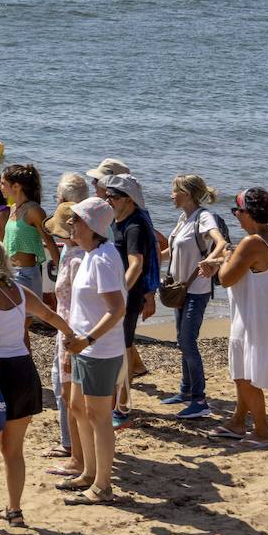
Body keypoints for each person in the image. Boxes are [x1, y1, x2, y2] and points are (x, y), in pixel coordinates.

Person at [0, 238, 82, 529]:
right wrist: (71, 336)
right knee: (14, 451)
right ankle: (15, 511)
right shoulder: (19, 290)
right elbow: (49, 314)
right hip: (23, 370)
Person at [203, 188, 268, 446]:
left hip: (254, 316)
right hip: (263, 312)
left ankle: (263, 431)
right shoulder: (267, 236)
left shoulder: (252, 242)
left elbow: (226, 278)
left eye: (236, 211)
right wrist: (228, 256)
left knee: (244, 375)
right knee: (243, 369)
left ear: (248, 213)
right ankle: (238, 422)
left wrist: (224, 257)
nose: (235, 216)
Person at [59, 197, 127, 505]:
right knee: (77, 407)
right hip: (84, 347)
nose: (70, 224)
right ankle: (88, 471)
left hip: (99, 349)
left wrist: (87, 339)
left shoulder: (102, 258)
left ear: (91, 226)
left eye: (76, 220)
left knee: (99, 416)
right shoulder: (90, 254)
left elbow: (116, 309)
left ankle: (102, 485)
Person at [158, 174, 230, 421]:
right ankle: (185, 391)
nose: (171, 195)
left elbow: (221, 242)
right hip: (179, 289)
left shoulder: (204, 216)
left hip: (197, 291)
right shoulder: (183, 219)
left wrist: (211, 260)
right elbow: (174, 250)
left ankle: (200, 400)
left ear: (186, 193)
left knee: (188, 341)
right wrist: (151, 256)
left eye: (174, 191)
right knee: (182, 339)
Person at [102, 174, 158, 429]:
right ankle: (115, 401)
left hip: (127, 297)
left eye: (112, 197)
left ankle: (122, 407)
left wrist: (121, 291)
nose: (107, 200)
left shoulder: (135, 226)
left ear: (127, 199)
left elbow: (136, 264)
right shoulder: (116, 221)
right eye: (106, 195)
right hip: (117, 295)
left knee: (122, 351)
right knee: (115, 349)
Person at [44, 173, 90, 468]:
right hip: (69, 326)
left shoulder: (77, 256)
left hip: (72, 329)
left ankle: (74, 450)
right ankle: (72, 445)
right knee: (63, 387)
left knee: (68, 389)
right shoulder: (80, 250)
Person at [0, 163, 59, 298]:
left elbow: (50, 243)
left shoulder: (34, 211)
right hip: (8, 272)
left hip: (25, 275)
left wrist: (62, 274)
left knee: (23, 318)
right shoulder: (13, 208)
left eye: (3, 184)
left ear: (16, 186)